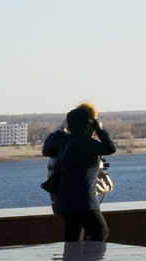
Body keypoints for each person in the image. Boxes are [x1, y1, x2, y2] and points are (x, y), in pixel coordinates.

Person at [45, 102, 115, 243]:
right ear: (88, 124)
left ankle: (74, 258)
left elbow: (49, 148)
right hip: (83, 199)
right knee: (100, 232)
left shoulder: (65, 141)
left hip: (65, 199)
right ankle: (90, 258)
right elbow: (110, 147)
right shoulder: (84, 142)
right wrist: (100, 129)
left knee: (74, 236)